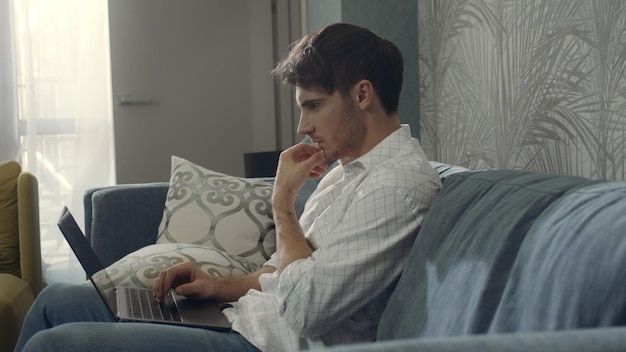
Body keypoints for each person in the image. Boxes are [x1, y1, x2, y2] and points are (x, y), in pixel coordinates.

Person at [15, 23, 441, 352]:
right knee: (54, 302)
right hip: (238, 320)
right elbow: (282, 273)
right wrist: (217, 286)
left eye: (313, 106)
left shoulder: (396, 186)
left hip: (261, 344)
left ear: (362, 94)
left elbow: (307, 308)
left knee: (52, 345)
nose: (303, 127)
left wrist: (283, 206)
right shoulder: (347, 172)